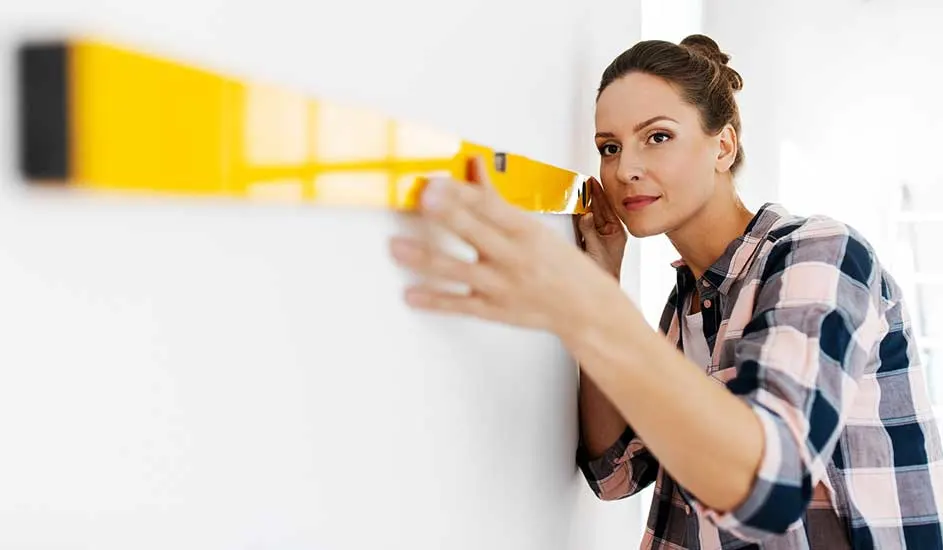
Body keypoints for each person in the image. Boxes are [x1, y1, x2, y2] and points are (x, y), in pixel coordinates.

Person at [388, 34, 943, 549]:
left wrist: (588, 306)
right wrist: (602, 283)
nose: (626, 168)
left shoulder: (819, 253)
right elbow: (615, 471)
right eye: (609, 147)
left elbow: (771, 485)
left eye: (658, 137)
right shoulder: (689, 304)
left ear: (722, 146)